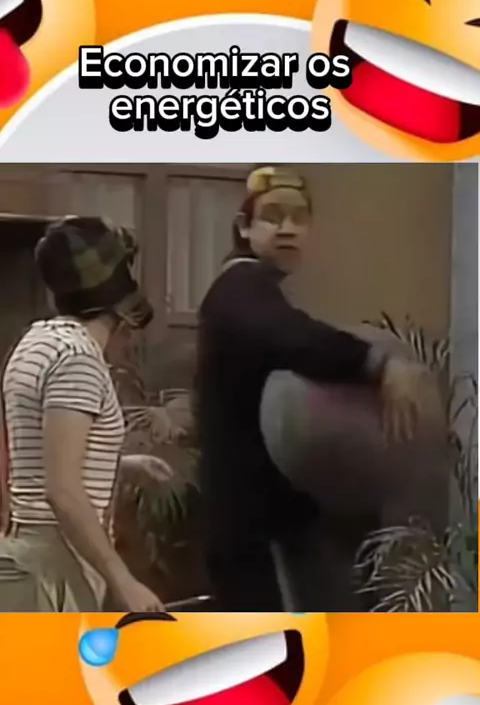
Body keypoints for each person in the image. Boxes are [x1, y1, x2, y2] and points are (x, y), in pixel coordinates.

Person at [196, 166, 431, 611]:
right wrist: (377, 362)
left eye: (299, 218)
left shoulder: (255, 290)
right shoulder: (239, 289)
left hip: (267, 519)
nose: (287, 228)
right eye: (273, 216)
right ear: (244, 227)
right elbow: (293, 336)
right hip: (250, 528)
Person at [0, 216, 167, 613]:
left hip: (27, 554)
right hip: (56, 562)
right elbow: (62, 491)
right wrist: (124, 582)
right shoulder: (78, 360)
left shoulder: (36, 341)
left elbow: (40, 458)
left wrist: (120, 463)